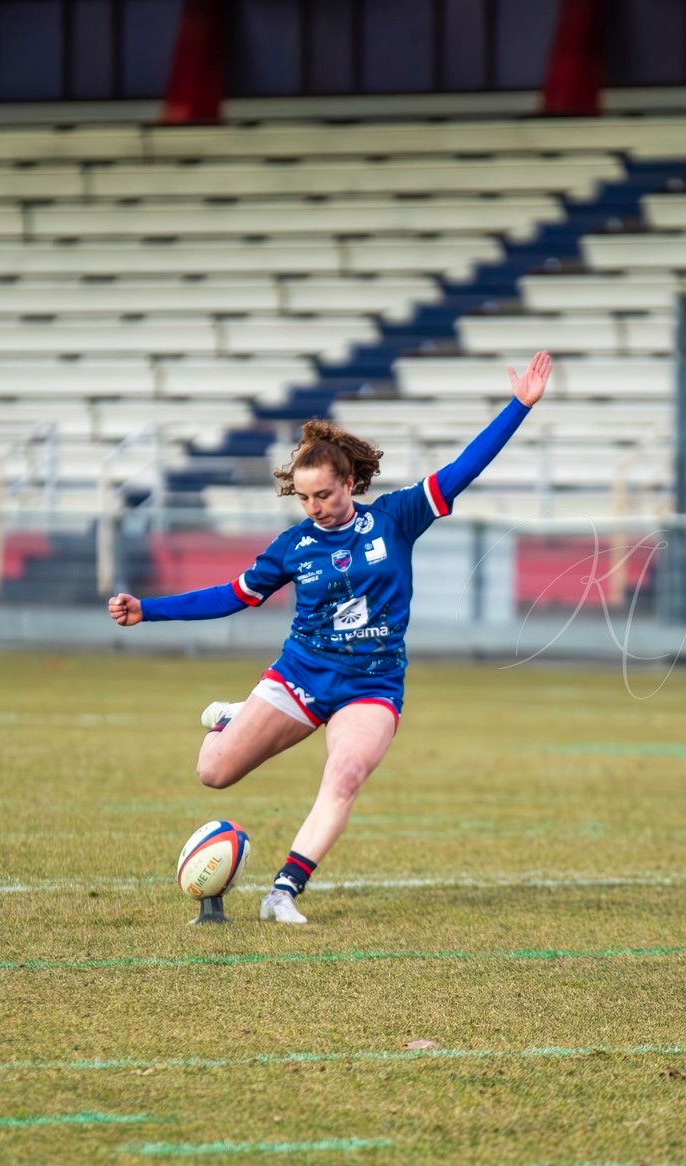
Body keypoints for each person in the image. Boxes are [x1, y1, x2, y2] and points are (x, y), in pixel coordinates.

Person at [107, 351, 554, 924]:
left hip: (372, 683)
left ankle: (282, 894)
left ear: (349, 482)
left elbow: (465, 468)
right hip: (301, 675)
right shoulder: (293, 546)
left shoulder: (396, 517)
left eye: (324, 495)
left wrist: (518, 407)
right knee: (213, 774)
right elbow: (229, 597)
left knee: (344, 775)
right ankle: (232, 719)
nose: (314, 507)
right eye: (303, 498)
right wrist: (148, 610)